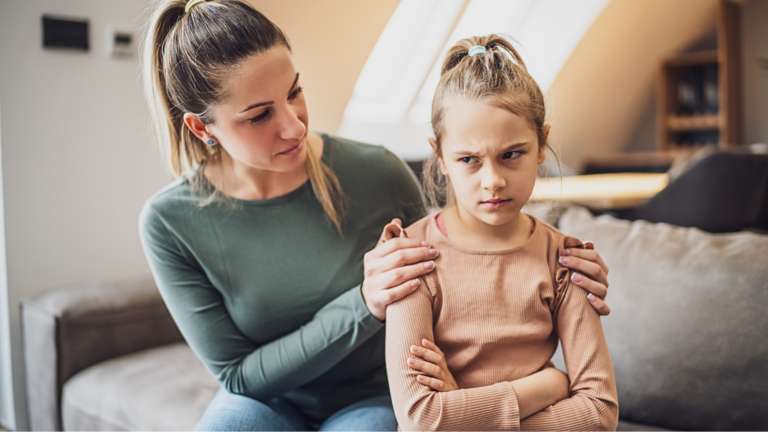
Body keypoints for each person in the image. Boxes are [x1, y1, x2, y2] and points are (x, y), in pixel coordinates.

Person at [138, 1, 613, 430]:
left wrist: (563, 265)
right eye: (260, 115)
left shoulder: (377, 172)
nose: (294, 124)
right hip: (270, 402)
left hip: (374, 398)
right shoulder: (169, 222)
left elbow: (459, 260)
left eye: (295, 91)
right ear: (203, 128)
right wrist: (364, 302)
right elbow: (239, 375)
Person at [383, 36, 619, 431]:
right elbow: (421, 419)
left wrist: (462, 407)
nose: (493, 180)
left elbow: (599, 412)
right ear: (440, 156)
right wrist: (550, 384)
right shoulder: (411, 258)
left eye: (511, 154)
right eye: (469, 160)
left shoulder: (565, 261)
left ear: (542, 144)